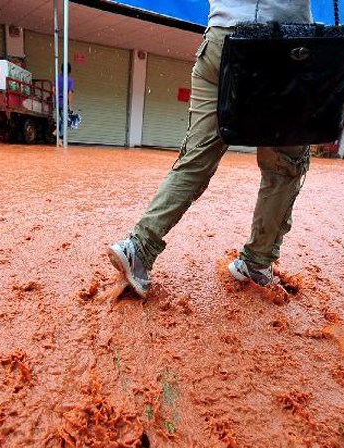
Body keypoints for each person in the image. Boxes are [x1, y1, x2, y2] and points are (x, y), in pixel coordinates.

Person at [108, 0, 313, 297]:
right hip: (282, 50)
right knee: (285, 167)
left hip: (220, 42)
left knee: (196, 158)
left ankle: (138, 248)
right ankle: (256, 262)